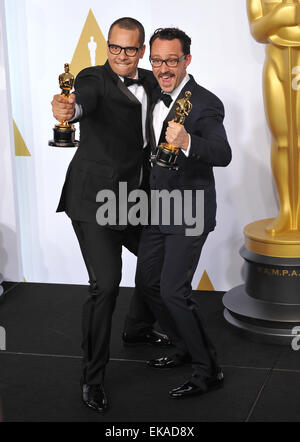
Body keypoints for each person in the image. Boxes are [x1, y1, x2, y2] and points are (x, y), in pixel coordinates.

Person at [51, 17, 171, 414]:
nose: (121, 56)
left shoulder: (152, 82)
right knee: (106, 285)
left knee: (161, 258)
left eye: (130, 49)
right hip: (94, 199)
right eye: (115, 48)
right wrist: (68, 108)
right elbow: (81, 101)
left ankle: (137, 328)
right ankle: (92, 377)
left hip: (134, 198)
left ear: (141, 52)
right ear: (107, 46)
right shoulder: (91, 79)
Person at [135, 28, 232, 399]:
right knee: (148, 284)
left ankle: (208, 369)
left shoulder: (205, 103)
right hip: (157, 206)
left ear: (186, 60)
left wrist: (188, 141)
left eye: (171, 60)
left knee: (174, 291)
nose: (163, 68)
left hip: (189, 209)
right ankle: (184, 346)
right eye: (157, 60)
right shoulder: (151, 93)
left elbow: (222, 154)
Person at [247, 0, 300, 235]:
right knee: (283, 141)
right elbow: (257, 30)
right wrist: (280, 16)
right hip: (275, 63)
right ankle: (286, 211)